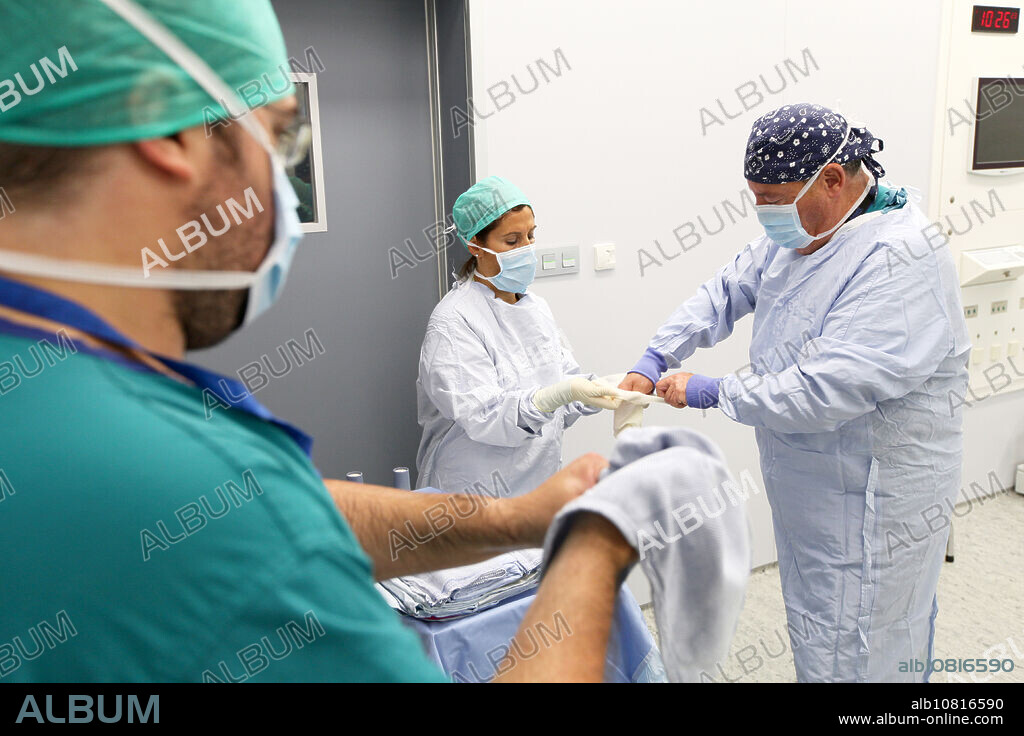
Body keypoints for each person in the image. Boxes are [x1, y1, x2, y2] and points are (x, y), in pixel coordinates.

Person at [0, 0, 637, 683]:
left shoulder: (70, 394)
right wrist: (594, 546)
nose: (284, 185)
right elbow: (258, 517)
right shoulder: (174, 472)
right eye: (282, 140)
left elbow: (286, 507)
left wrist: (515, 518)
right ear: (173, 133)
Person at [619, 103, 971, 683]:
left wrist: (711, 390)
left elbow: (825, 389)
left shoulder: (899, 257)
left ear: (833, 178)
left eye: (773, 199)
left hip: (875, 496)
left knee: (866, 638)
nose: (764, 214)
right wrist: (659, 353)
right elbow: (728, 288)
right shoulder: (812, 229)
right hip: (812, 484)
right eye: (756, 197)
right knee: (821, 626)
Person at [416, 176, 625, 496]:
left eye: (530, 235)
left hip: (535, 488)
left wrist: (600, 390)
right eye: (512, 241)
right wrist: (559, 394)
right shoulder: (453, 323)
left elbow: (562, 397)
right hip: (472, 496)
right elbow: (487, 418)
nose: (527, 249)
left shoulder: (536, 309)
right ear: (475, 245)